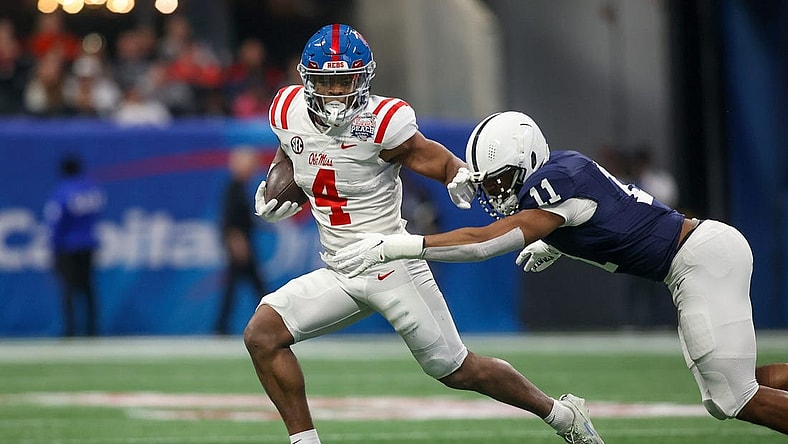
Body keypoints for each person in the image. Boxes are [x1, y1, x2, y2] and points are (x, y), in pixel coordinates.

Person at [244, 25, 604, 444]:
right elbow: (291, 149)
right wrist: (276, 182)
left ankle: (562, 415)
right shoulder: (287, 109)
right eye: (328, 82)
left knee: (458, 370)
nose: (338, 92)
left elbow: (426, 154)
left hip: (391, 264)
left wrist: (455, 174)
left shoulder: (381, 122)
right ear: (308, 80)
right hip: (339, 268)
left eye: (346, 81)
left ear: (364, 80)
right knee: (262, 335)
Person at [332, 111, 788, 436]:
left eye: (497, 181)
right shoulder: (558, 169)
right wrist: (555, 243)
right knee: (722, 393)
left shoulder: (555, 184)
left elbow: (484, 242)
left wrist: (398, 245)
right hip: (698, 255)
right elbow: (609, 214)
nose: (494, 192)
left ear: (527, 163)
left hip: (698, 259)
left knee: (734, 397)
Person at [44, 154, 106, 337]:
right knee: (88, 287)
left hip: (68, 246)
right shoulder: (91, 190)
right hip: (88, 244)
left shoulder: (63, 191)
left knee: (69, 288)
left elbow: (56, 221)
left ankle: (70, 330)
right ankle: (92, 330)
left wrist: (53, 247)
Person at [215, 147, 267, 335]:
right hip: (240, 244)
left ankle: (221, 326)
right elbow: (229, 221)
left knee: (241, 286)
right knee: (255, 286)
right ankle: (270, 322)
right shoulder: (233, 188)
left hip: (244, 241)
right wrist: (237, 242)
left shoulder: (240, 188)